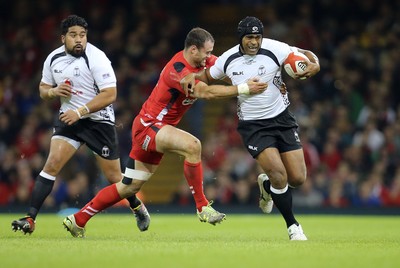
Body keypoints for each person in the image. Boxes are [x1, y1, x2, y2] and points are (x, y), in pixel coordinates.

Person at [62, 27, 268, 238]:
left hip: (156, 128)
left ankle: (78, 219)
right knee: (193, 146)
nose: (209, 57)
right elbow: (204, 92)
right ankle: (202, 207)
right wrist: (243, 89)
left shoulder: (202, 61)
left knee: (128, 188)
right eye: (207, 52)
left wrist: (260, 80)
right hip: (148, 126)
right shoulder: (177, 68)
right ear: (194, 49)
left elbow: (226, 70)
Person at [11, 15, 150, 235]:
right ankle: (30, 218)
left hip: (98, 121)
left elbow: (110, 94)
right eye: (74, 35)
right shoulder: (53, 59)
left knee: (115, 178)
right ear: (63, 37)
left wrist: (80, 111)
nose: (79, 40)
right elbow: (43, 88)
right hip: (69, 119)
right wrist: (53, 92)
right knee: (52, 163)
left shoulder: (97, 58)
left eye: (83, 35)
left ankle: (137, 206)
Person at [187, 16, 320, 240]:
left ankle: (266, 185)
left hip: (283, 119)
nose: (254, 42)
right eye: (249, 37)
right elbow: (206, 78)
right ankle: (293, 226)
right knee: (280, 175)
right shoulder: (228, 59)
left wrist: (315, 65)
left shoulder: (276, 48)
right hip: (254, 126)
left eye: (257, 37)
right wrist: (190, 77)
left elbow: (307, 54)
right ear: (241, 37)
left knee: (297, 179)